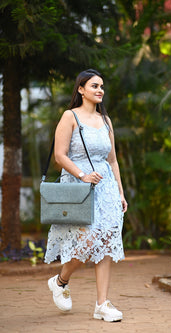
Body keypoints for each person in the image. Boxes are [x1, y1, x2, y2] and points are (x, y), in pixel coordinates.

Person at [44, 69, 128, 322]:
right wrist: (82, 175)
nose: (100, 89)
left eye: (101, 86)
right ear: (81, 89)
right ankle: (60, 281)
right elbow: (60, 156)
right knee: (89, 240)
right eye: (94, 85)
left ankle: (102, 304)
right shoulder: (70, 116)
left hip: (106, 188)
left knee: (106, 241)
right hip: (80, 187)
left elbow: (112, 161)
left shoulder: (106, 121)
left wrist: (121, 193)